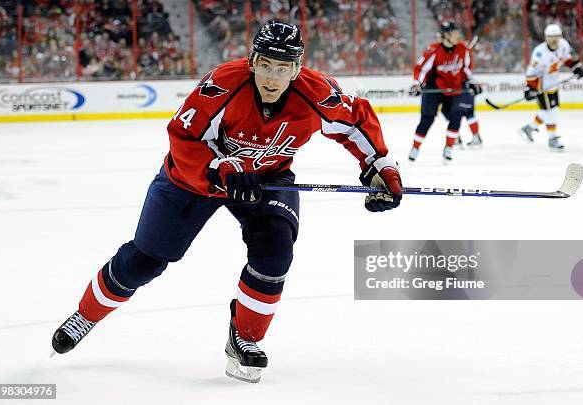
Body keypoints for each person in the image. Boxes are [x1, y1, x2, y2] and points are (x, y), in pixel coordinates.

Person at [50, 21, 403, 383]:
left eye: (283, 68)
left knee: (275, 249)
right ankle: (86, 315)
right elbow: (183, 137)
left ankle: (245, 339)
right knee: (145, 261)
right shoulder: (222, 84)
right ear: (252, 61)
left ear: (297, 69)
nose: (273, 76)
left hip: (266, 178)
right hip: (194, 179)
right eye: (266, 65)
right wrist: (218, 168)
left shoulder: (318, 94)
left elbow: (356, 123)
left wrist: (378, 168)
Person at [408, 22, 482, 163]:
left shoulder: (463, 50)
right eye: (454, 32)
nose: (458, 35)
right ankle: (415, 148)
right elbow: (422, 69)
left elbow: (466, 69)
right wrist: (416, 84)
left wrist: (472, 82)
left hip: (454, 88)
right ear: (446, 35)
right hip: (434, 88)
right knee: (427, 119)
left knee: (456, 116)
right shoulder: (433, 50)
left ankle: (448, 148)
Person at [518, 23, 583, 150]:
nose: (554, 39)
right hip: (541, 85)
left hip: (553, 83)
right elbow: (531, 73)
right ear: (546, 38)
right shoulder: (539, 53)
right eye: (551, 37)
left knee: (550, 111)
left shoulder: (563, 45)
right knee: (551, 112)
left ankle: (529, 127)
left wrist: (577, 68)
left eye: (556, 36)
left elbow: (567, 59)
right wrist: (530, 88)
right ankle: (552, 139)